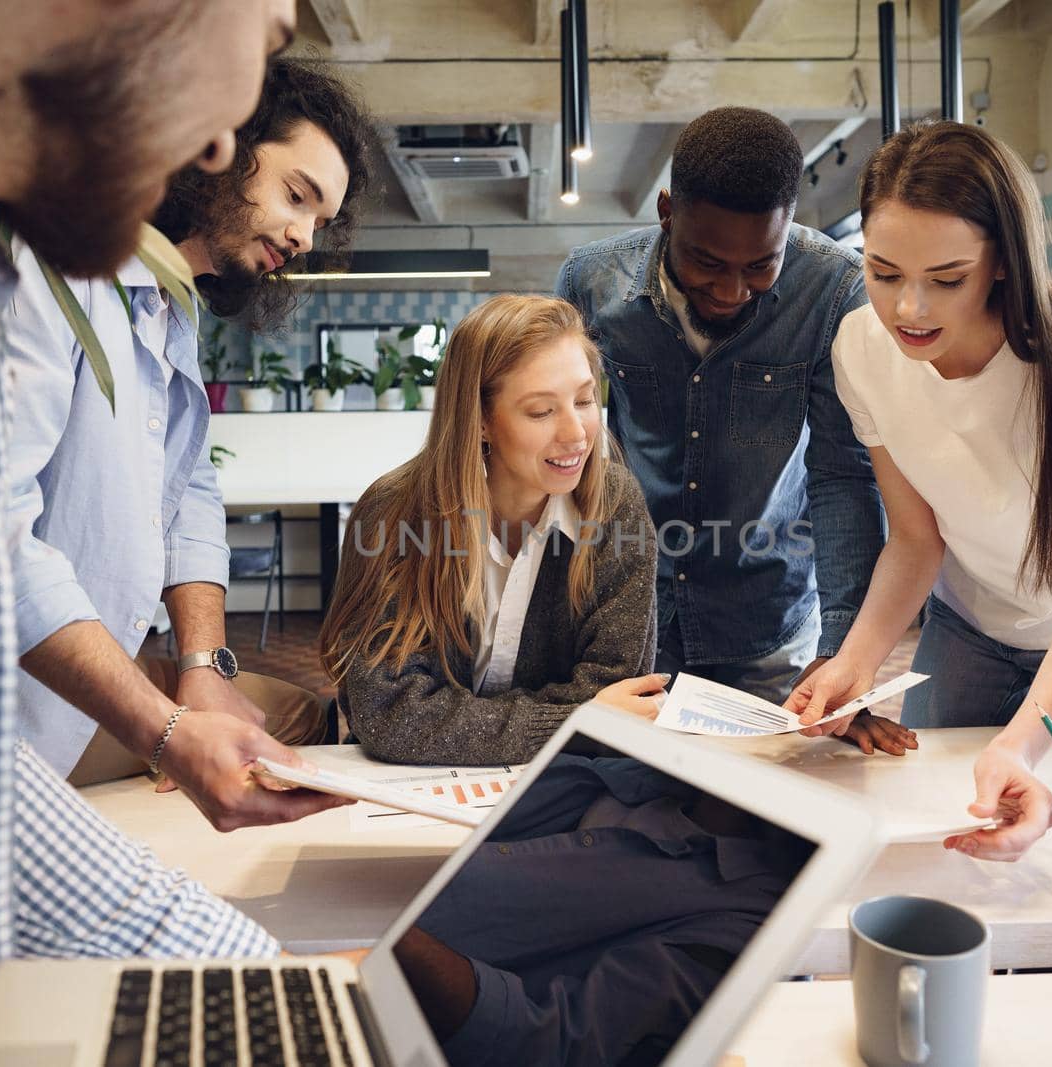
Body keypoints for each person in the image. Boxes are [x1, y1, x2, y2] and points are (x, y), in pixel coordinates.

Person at [0, 3, 349, 1063]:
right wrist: (167, 730)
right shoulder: (5, 281)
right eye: (263, 33)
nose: (214, 138)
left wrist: (200, 668)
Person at [4, 52, 378, 822]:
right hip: (2, 712)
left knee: (295, 726)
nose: (305, 235)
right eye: (296, 194)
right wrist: (168, 729)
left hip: (98, 680)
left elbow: (191, 492)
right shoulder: (48, 268)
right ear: (219, 147)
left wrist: (203, 665)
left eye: (321, 219)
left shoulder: (173, 305)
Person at [789, 120, 1052, 862]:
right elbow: (915, 538)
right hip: (970, 627)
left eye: (946, 279)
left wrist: (1022, 748)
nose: (909, 310)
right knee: (936, 830)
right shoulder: (860, 350)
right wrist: (856, 661)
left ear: (1002, 260)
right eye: (884, 271)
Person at [556, 107, 911, 757]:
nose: (731, 290)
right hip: (635, 615)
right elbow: (571, 453)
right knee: (633, 799)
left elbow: (841, 478)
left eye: (760, 267)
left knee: (766, 814)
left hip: (769, 624)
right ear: (667, 211)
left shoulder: (832, 290)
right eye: (707, 262)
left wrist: (841, 658)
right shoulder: (591, 281)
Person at [321, 295, 664, 765]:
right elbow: (388, 714)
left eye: (585, 400)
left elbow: (620, 699)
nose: (577, 434)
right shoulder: (393, 513)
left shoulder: (613, 505)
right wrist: (575, 722)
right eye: (541, 411)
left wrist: (588, 719)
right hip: (403, 794)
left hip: (562, 787)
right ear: (480, 420)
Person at [393, 752, 813, 1067]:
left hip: (390, 1000)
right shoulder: (639, 771)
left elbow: (549, 1040)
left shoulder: (743, 921)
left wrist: (391, 939)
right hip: (359, 893)